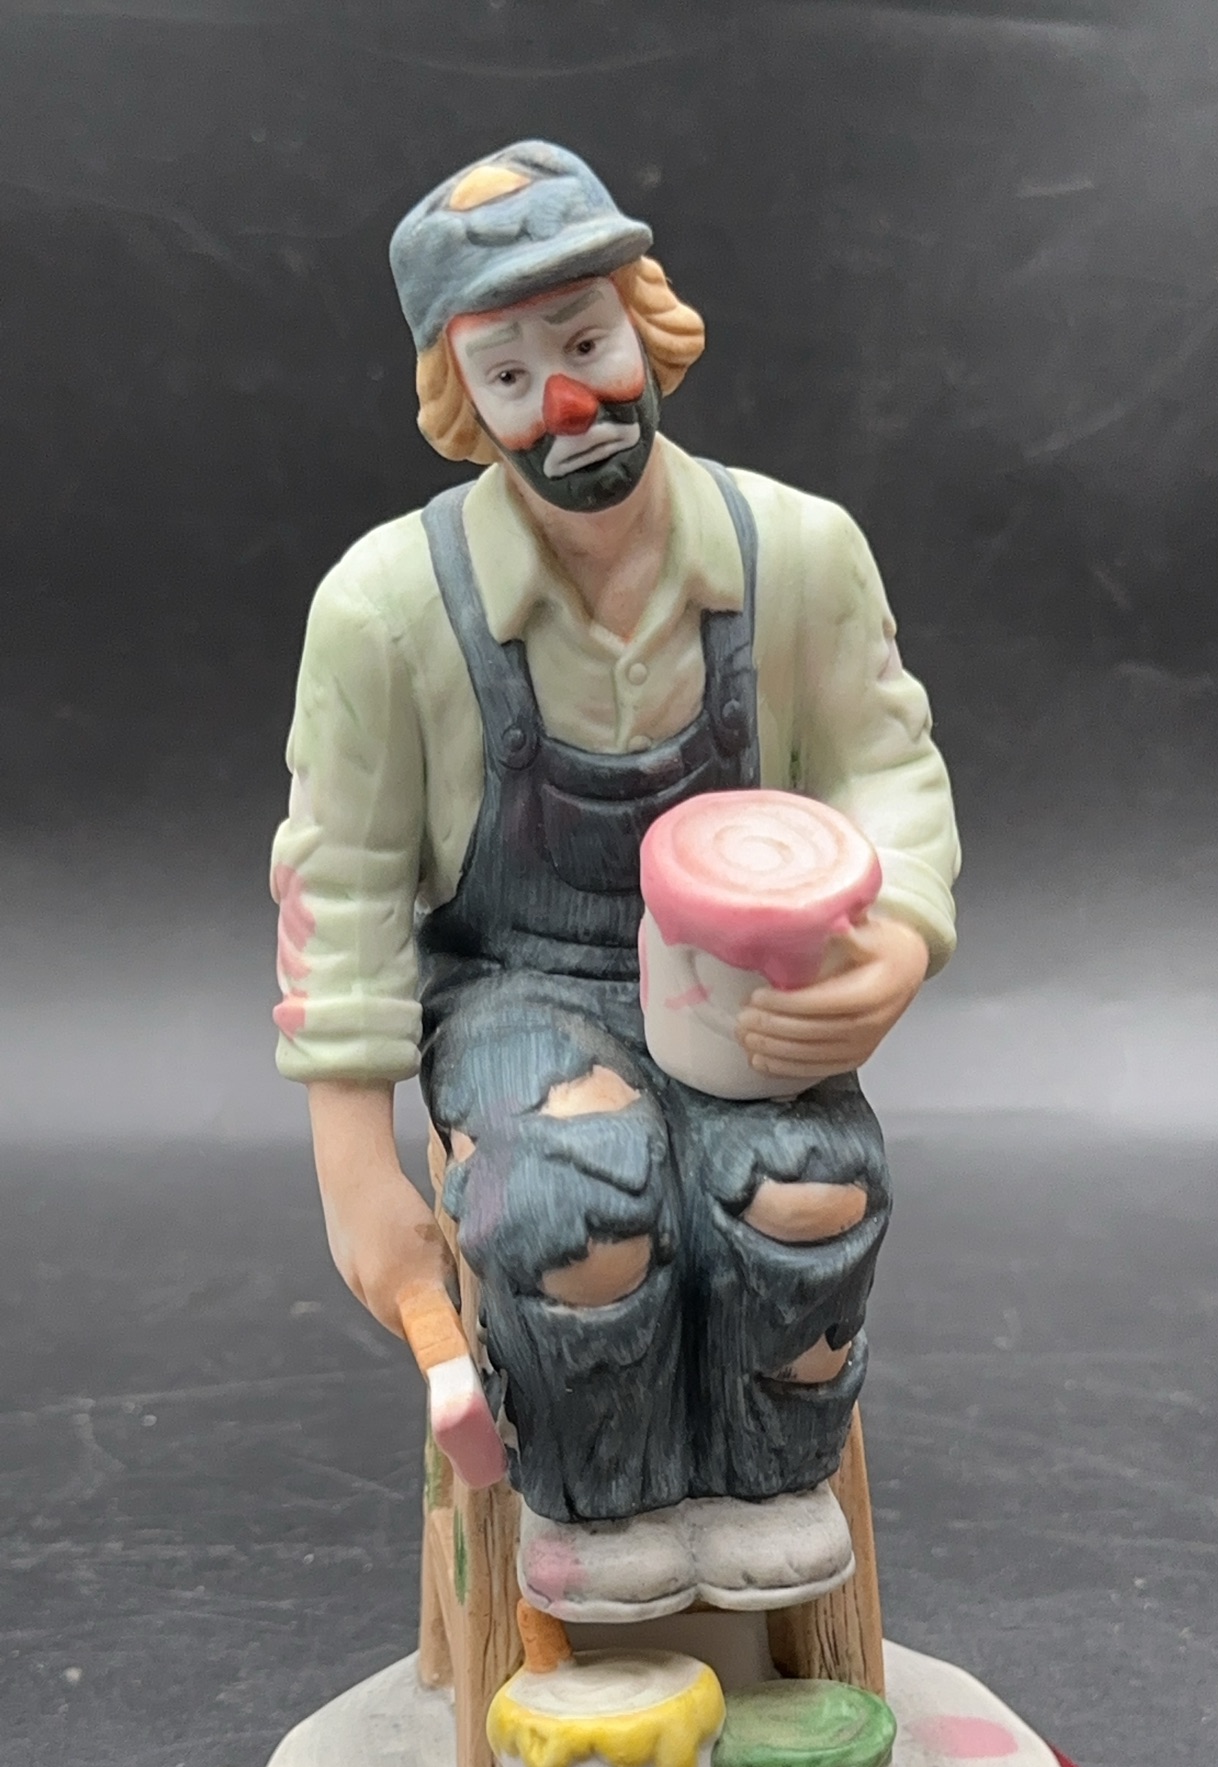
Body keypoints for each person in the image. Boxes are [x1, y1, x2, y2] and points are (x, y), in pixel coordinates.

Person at [271, 140, 960, 1626]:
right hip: (517, 988)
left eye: (584, 344)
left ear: (647, 326)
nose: (567, 404)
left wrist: (899, 936)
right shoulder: (387, 609)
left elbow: (887, 767)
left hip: (741, 982)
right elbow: (344, 886)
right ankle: (601, 1503)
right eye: (511, 375)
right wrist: (355, 1172)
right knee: (573, 1212)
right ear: (465, 402)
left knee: (803, 1190)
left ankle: (768, 1485)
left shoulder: (800, 554)